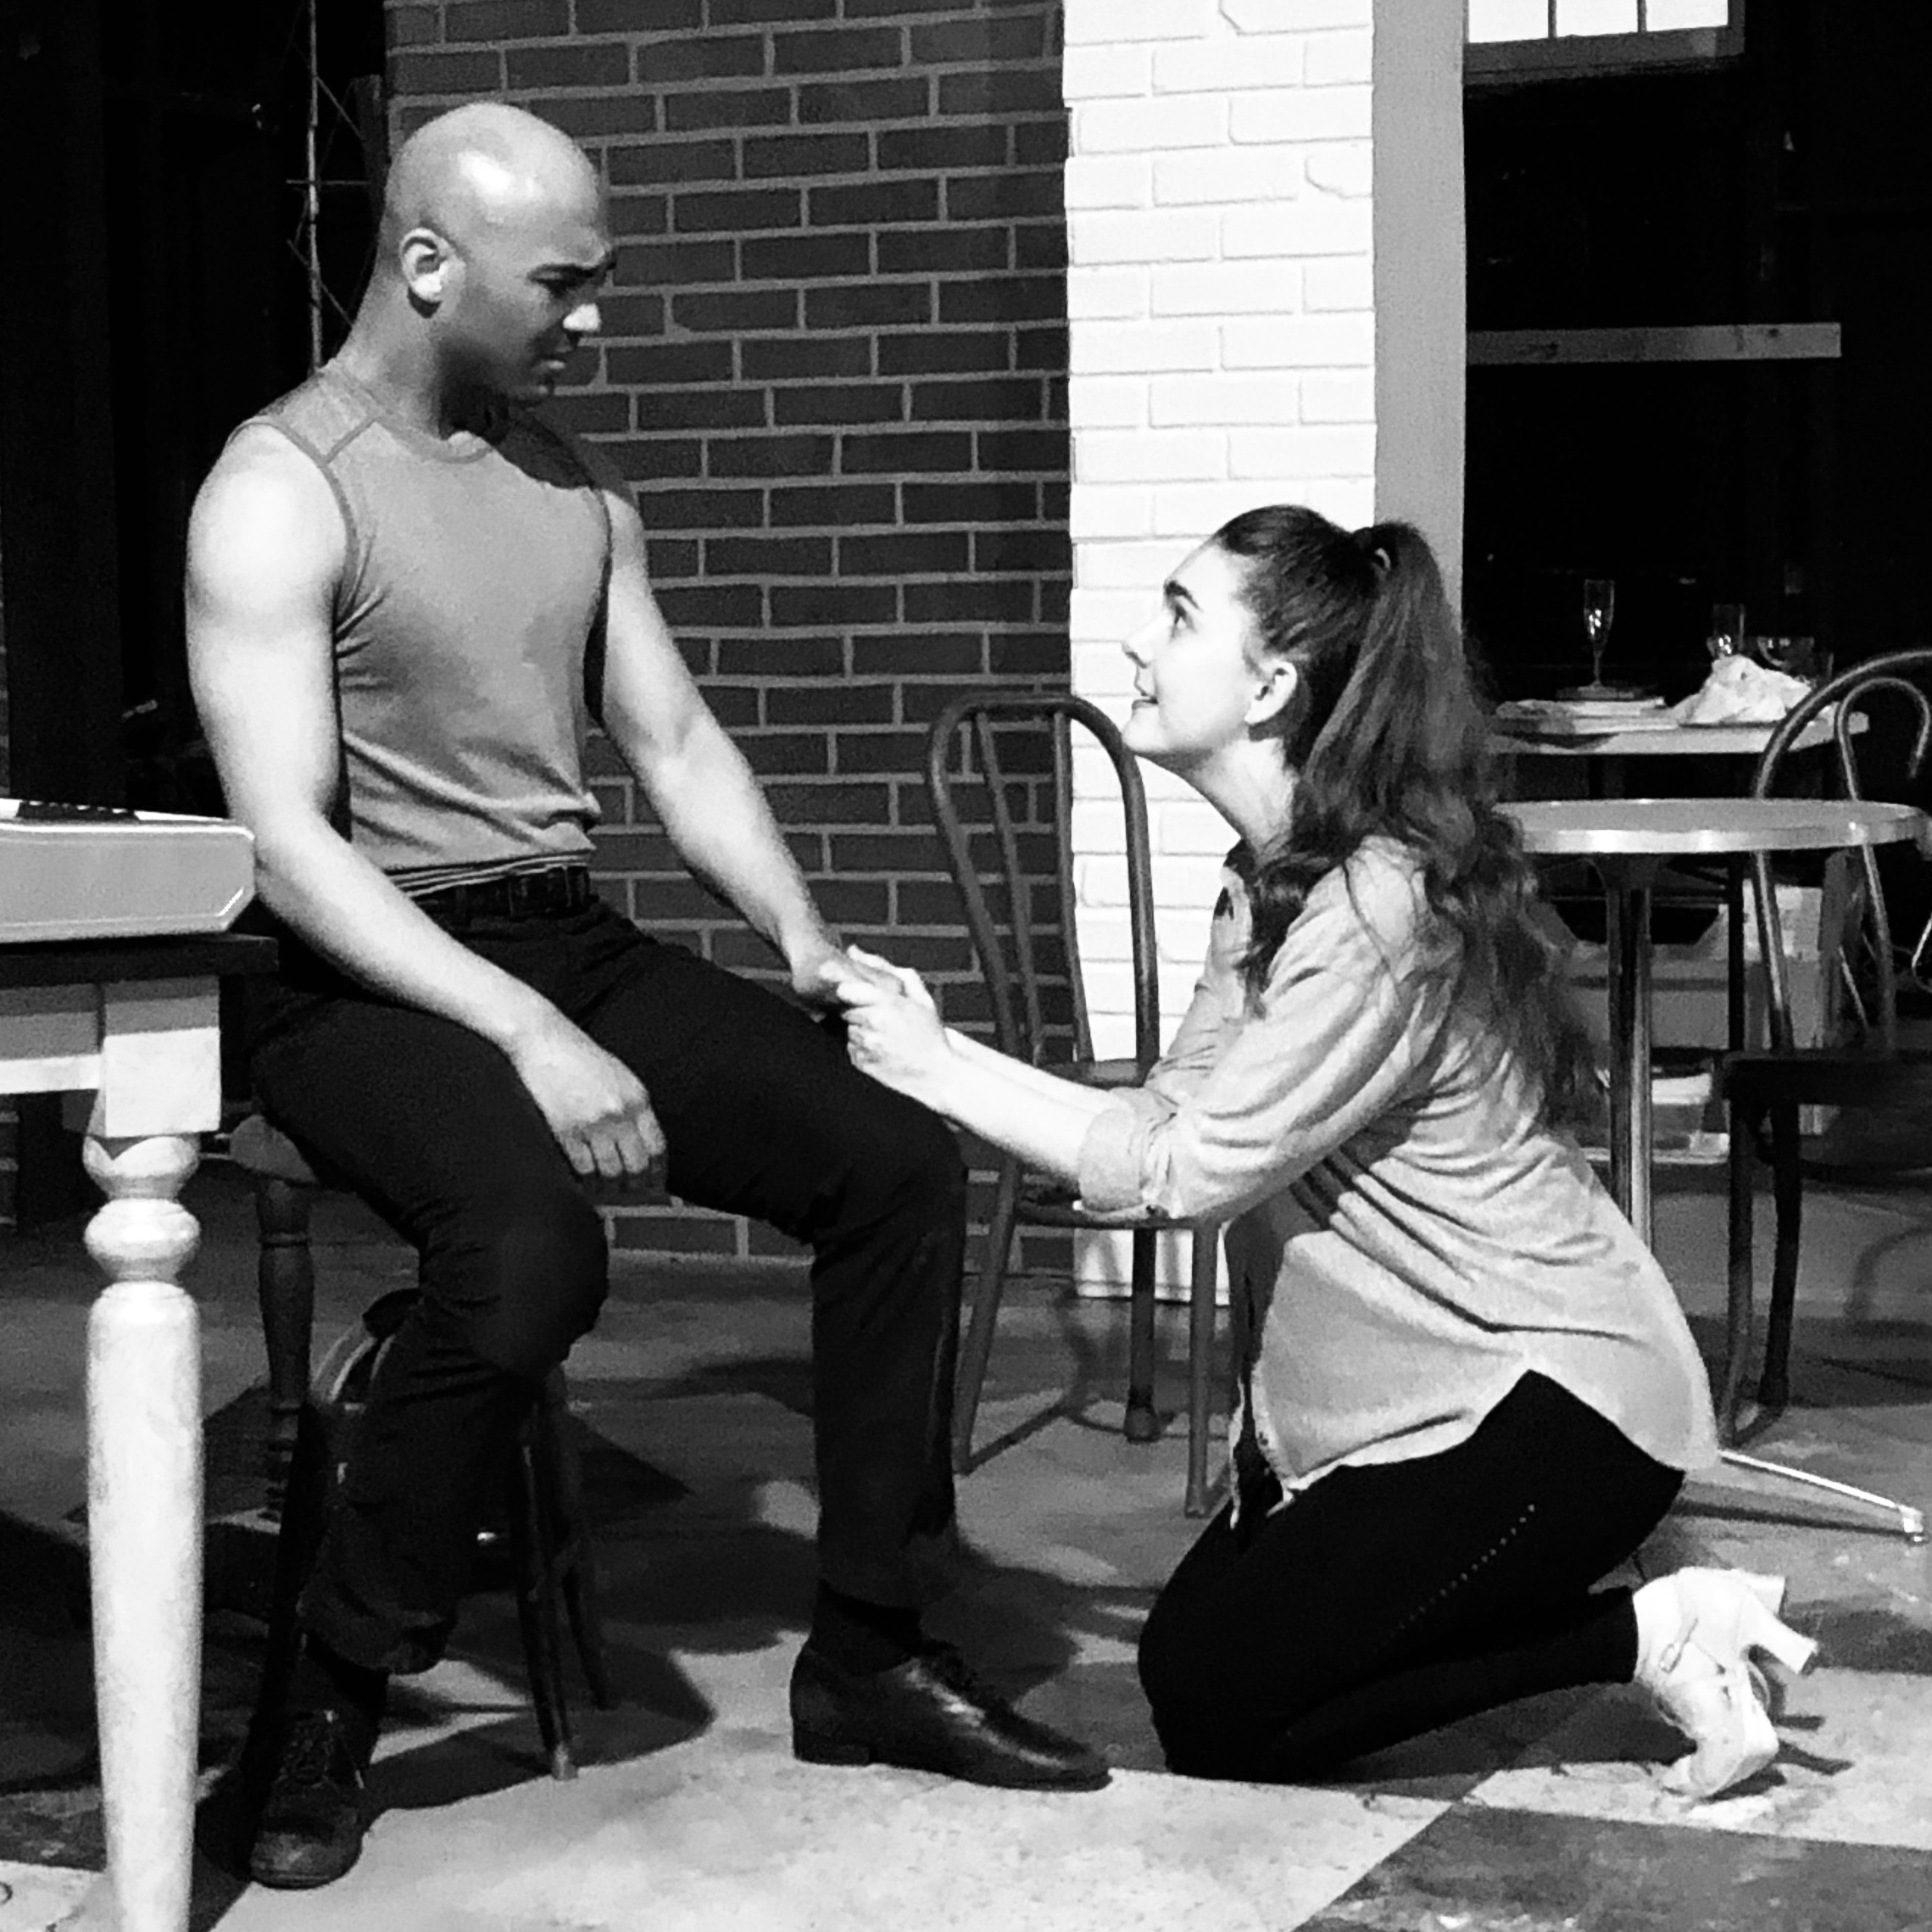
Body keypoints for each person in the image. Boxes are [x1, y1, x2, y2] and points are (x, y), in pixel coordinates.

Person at [185, 101, 1106, 1891]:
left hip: (560, 929)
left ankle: (874, 1651)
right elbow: (292, 848)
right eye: (567, 285)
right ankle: (325, 1695)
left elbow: (672, 740)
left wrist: (808, 946)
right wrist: (529, 1037)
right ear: (429, 262)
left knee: (892, 1163)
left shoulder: (572, 483)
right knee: (530, 1252)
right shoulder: (280, 485)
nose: (595, 320)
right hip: (354, 970)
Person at [837, 504, 1818, 1801]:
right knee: (1211, 1690)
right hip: (1421, 1397)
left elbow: (1189, 1169)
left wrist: (938, 1065)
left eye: (1180, 617)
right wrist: (990, 1086)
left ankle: (1653, 1631)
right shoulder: (1272, 883)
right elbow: (1176, 1124)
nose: (1139, 646)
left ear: (1272, 686)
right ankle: (1621, 1618)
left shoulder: (1378, 903)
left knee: (1222, 1693)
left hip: (1560, 1401)